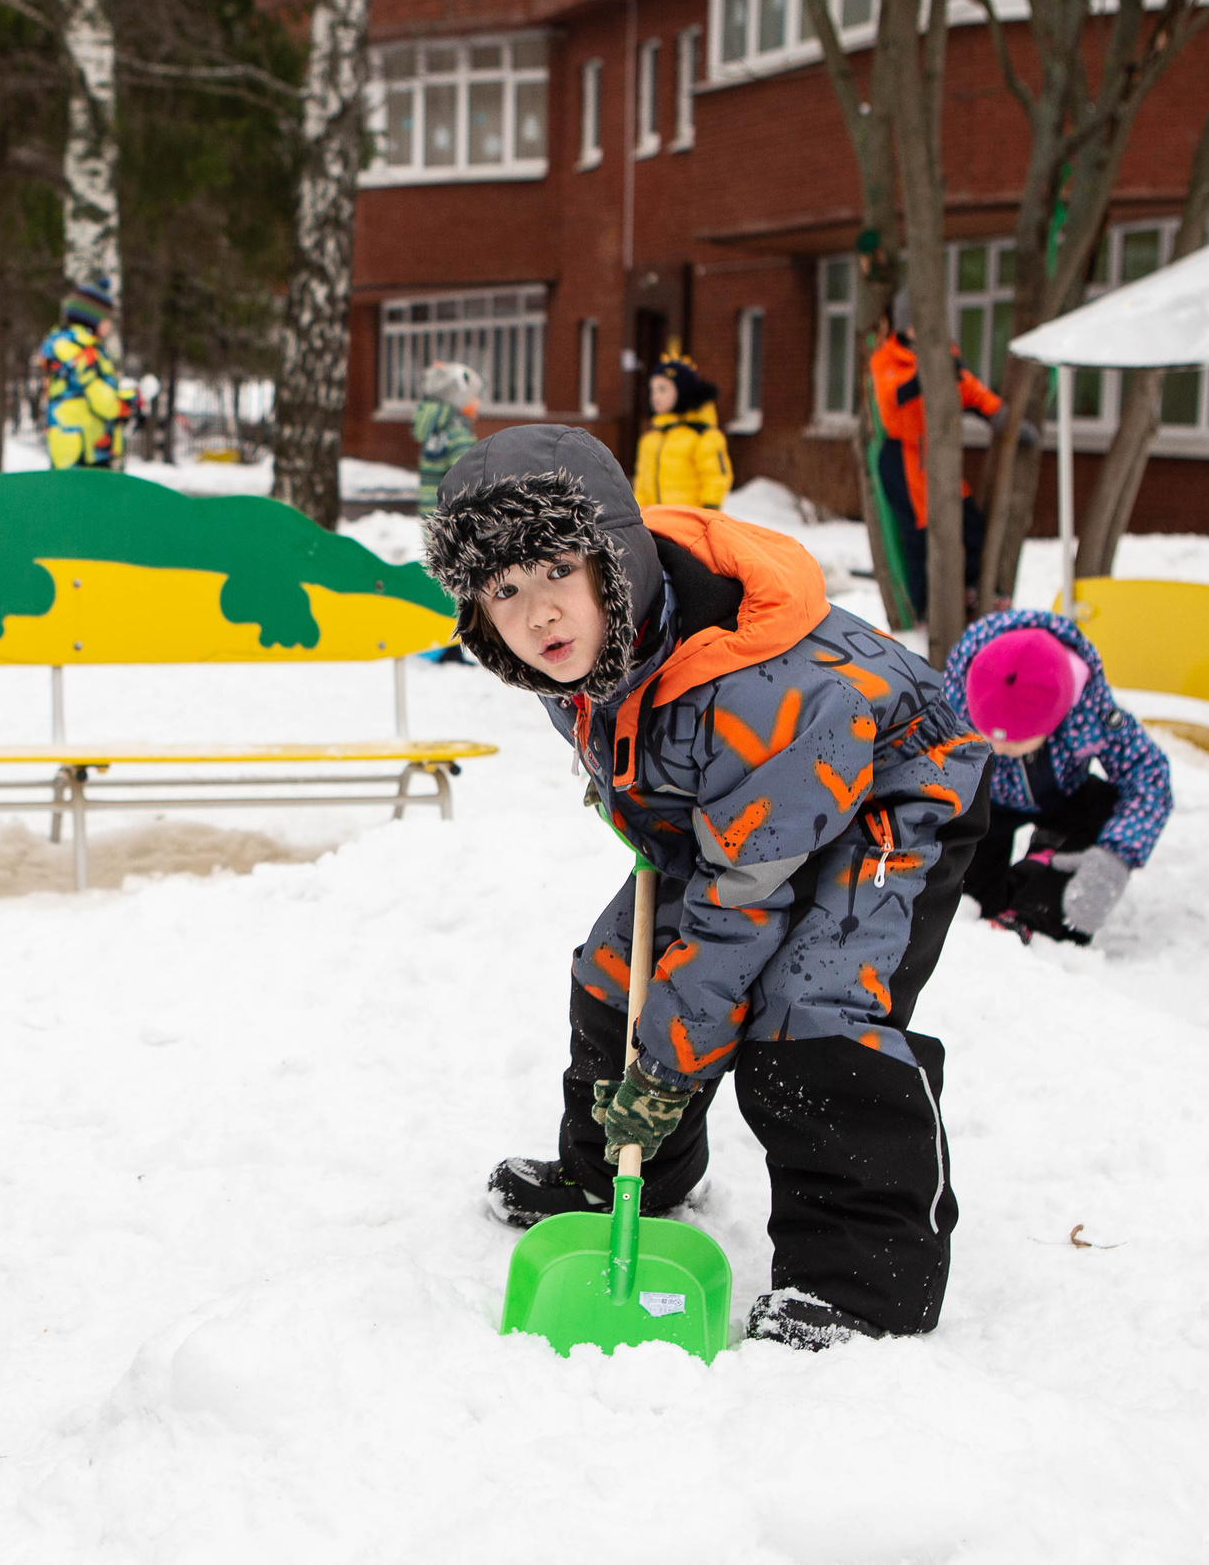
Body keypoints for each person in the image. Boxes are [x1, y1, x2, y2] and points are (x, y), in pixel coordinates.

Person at [425, 424, 990, 1349]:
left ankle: (862, 1283)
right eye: (502, 589)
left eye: (556, 570)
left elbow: (740, 906)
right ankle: (621, 1174)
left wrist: (673, 1060)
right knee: (619, 972)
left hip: (896, 787)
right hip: (746, 805)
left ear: (615, 557)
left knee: (808, 1007)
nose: (535, 615)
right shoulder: (593, 643)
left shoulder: (762, 683)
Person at [942, 612, 1171, 944]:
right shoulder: (956, 694)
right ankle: (1026, 875)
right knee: (971, 899)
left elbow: (1148, 774)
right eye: (987, 735)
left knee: (1103, 806)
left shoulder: (1091, 708)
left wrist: (1116, 857)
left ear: (1056, 718)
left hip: (1064, 796)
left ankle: (1034, 913)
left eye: (1016, 740)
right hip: (985, 802)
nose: (1000, 748)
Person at [868, 322, 1001, 617]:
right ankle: (924, 608)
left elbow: (969, 389)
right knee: (919, 537)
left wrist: (997, 412)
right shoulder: (887, 359)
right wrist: (931, 370)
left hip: (938, 458)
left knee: (969, 523)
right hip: (904, 458)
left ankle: (968, 590)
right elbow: (894, 396)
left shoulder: (945, 353)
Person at [43, 276, 135, 469]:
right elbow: (103, 403)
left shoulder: (66, 346)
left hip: (69, 447)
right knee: (88, 499)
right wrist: (129, 402)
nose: (110, 325)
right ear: (92, 319)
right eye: (107, 318)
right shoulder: (85, 353)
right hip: (86, 452)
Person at [632, 350, 731, 509]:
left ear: (682, 392)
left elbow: (716, 478)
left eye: (663, 389)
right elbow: (642, 483)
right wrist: (638, 515)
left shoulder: (703, 436)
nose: (655, 396)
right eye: (653, 389)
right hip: (654, 524)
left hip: (690, 524)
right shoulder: (649, 439)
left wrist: (708, 512)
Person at [412, 360, 481, 517]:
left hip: (430, 512)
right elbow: (468, 477)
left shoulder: (436, 431)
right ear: (460, 400)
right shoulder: (458, 436)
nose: (478, 402)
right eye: (474, 396)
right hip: (450, 515)